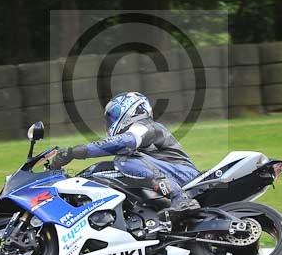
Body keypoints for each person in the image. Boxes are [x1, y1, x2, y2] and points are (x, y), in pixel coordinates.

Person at [48, 91, 201, 214]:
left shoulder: (148, 126)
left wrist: (74, 152)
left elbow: (124, 141)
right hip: (171, 173)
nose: (110, 121)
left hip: (185, 174)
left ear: (132, 110)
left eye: (114, 114)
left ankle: (180, 198)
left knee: (124, 160)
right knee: (101, 169)